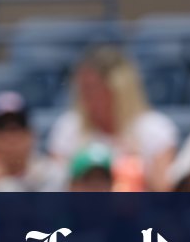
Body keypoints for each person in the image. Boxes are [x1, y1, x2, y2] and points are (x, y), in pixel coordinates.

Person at [46, 46, 179, 191]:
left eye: (94, 88)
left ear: (119, 89)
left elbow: (164, 191)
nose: (87, 96)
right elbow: (56, 188)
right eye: (83, 88)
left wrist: (136, 166)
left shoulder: (155, 128)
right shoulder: (68, 127)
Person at [0, 91, 67, 192]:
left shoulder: (52, 174)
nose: (10, 138)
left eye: (17, 128)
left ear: (32, 134)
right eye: (1, 129)